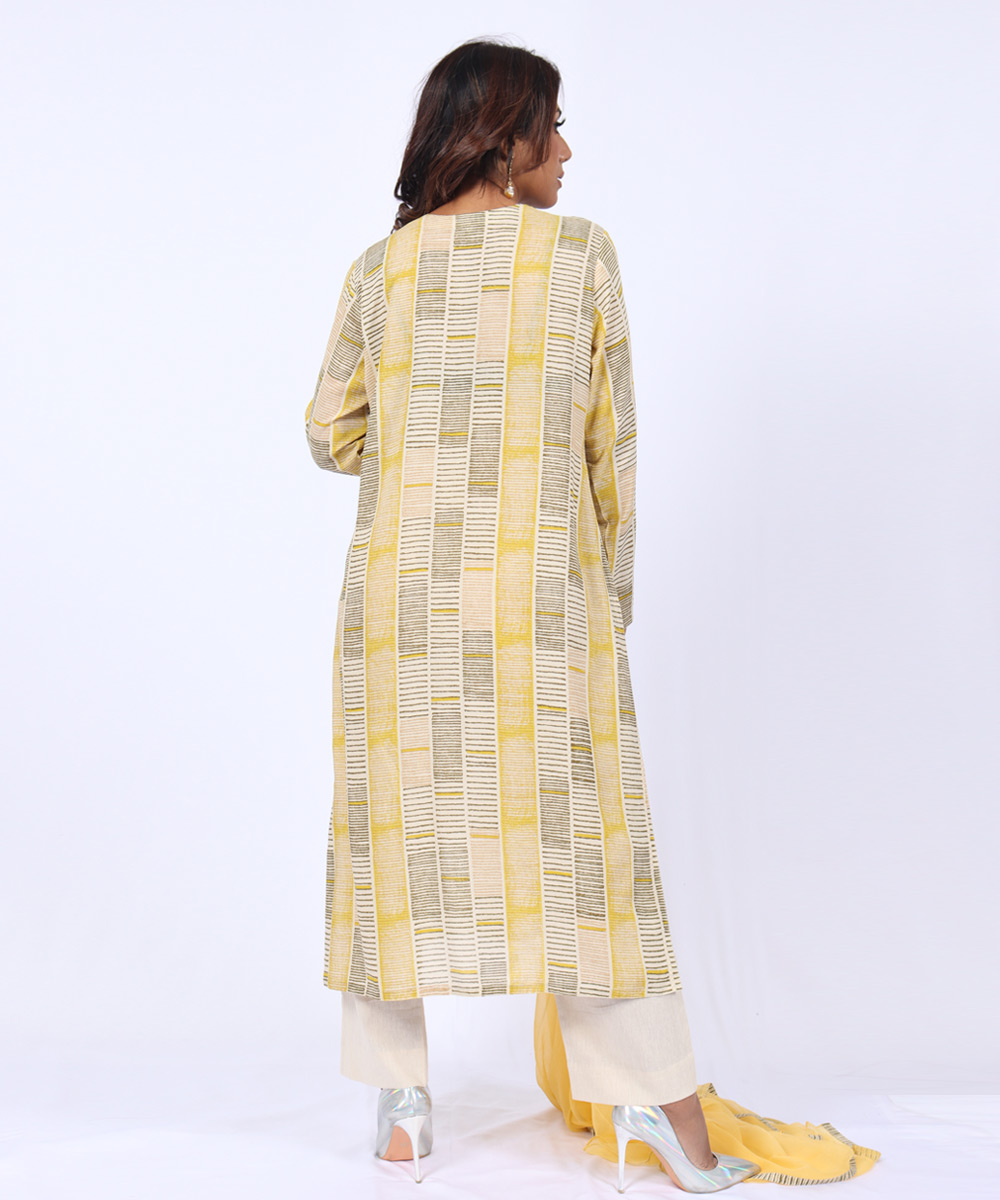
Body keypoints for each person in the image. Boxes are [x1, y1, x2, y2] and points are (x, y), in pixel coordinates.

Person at [303, 38, 877, 1192]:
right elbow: (610, 450)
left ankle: (402, 1111)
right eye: (552, 125)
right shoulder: (578, 258)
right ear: (501, 137)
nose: (565, 150)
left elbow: (329, 432)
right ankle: (660, 1117)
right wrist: (606, 598)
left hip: (402, 609)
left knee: (391, 847)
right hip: (541, 608)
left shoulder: (380, 270)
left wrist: (426, 442)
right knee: (591, 862)